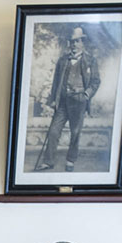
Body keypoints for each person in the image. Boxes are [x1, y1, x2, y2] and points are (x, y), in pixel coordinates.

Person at [36, 27, 100, 172]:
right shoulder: (63, 60)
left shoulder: (90, 60)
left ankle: (70, 160)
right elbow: (56, 82)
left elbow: (96, 81)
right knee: (53, 131)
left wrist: (86, 94)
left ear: (82, 42)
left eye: (77, 41)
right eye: (72, 41)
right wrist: (53, 100)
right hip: (63, 102)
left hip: (79, 101)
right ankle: (48, 161)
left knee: (75, 132)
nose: (74, 44)